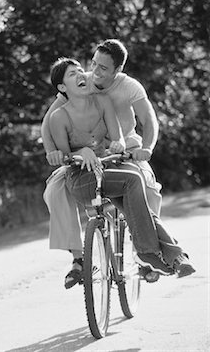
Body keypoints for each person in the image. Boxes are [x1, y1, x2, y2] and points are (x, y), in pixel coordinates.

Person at [42, 51, 196, 287]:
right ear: (63, 86)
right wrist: (56, 152)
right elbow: (49, 126)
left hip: (117, 158)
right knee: (54, 191)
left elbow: (147, 119)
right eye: (93, 64)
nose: (93, 71)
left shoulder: (124, 88)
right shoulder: (70, 97)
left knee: (145, 189)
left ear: (117, 70)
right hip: (82, 169)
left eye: (102, 67)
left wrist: (145, 147)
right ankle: (78, 259)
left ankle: (160, 256)